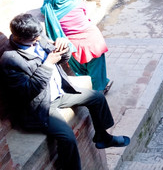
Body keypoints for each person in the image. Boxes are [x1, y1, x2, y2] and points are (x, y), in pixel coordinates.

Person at [0, 14, 130, 170]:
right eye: (33, 39)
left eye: (38, 36)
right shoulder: (10, 60)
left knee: (97, 97)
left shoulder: (36, 37)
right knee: (67, 138)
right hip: (40, 107)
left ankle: (103, 137)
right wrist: (47, 64)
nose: (38, 40)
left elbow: (61, 58)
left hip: (59, 92)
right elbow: (27, 92)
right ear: (19, 37)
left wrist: (64, 48)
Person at [41, 0, 113, 93]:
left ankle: (88, 89)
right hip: (92, 40)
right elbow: (84, 13)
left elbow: (44, 4)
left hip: (71, 44)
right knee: (97, 68)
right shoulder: (76, 1)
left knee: (80, 70)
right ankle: (99, 90)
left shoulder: (49, 9)